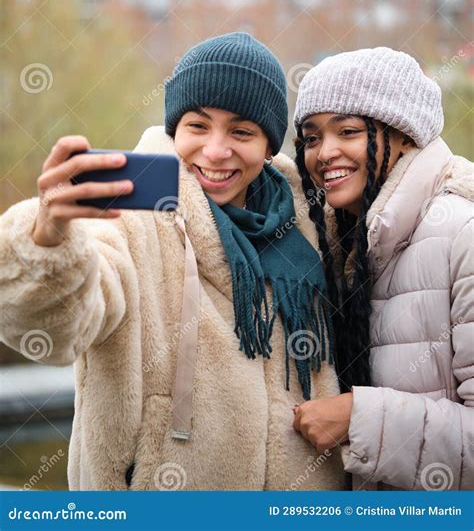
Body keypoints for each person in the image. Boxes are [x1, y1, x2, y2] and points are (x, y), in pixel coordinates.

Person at [0, 32, 345, 491]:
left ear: (268, 146)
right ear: (173, 130)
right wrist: (47, 239)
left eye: (241, 131)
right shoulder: (131, 219)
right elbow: (57, 331)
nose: (216, 150)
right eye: (197, 126)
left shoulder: (312, 225)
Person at [291, 47, 473, 490]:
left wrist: (361, 417)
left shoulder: (461, 233)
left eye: (348, 131)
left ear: (405, 136)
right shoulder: (345, 241)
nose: (325, 153)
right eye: (312, 138)